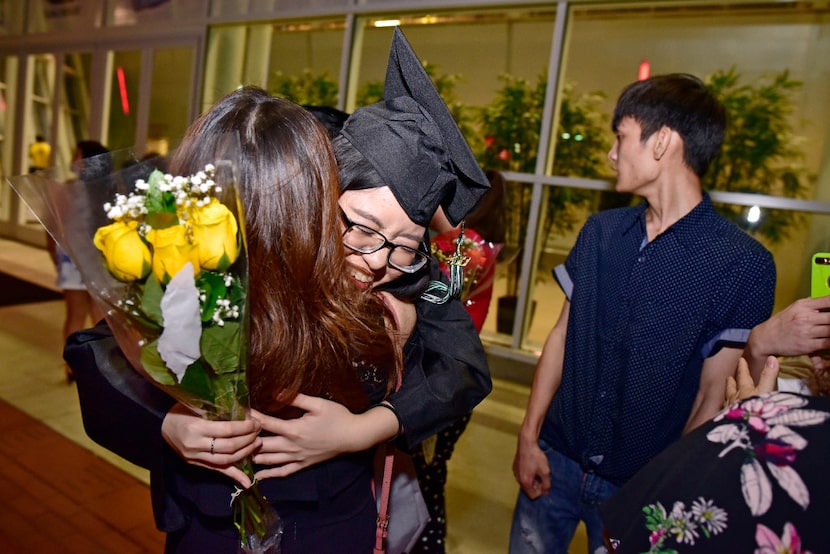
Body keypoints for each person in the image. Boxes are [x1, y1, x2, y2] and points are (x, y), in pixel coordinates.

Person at [67, 87, 407, 553]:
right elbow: (96, 353)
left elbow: (450, 374)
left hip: (325, 525)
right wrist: (166, 423)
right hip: (216, 522)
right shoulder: (182, 278)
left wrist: (366, 427)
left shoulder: (362, 280)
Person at [509, 73, 777, 554]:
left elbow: (712, 396)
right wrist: (529, 437)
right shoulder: (601, 232)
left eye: (621, 137)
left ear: (662, 142)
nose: (612, 153)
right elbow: (561, 335)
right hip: (555, 460)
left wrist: (666, 497)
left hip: (641, 489)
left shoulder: (741, 264)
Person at [408, 169, 505, 553]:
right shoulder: (468, 244)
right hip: (450, 374)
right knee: (428, 478)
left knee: (423, 480)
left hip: (440, 377)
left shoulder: (462, 250)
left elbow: (422, 302)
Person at [50, 140, 109, 382]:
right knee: (100, 316)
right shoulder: (108, 188)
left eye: (77, 154)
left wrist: (54, 255)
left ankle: (72, 367)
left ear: (86, 160)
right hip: (100, 260)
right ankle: (100, 365)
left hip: (72, 259)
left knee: (75, 315)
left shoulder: (68, 190)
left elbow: (56, 226)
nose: (74, 159)